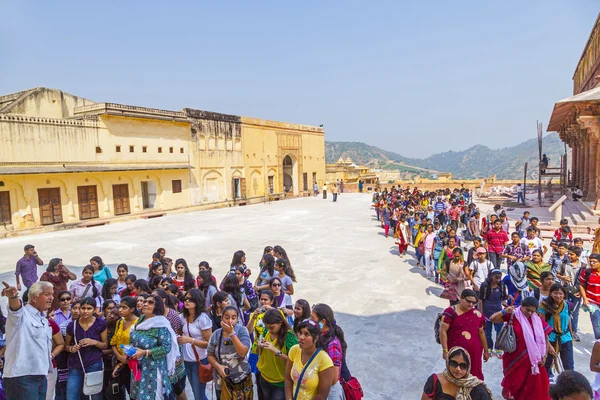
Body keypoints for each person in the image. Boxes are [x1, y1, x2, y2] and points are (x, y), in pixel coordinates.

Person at [489, 297, 552, 400]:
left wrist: (545, 354)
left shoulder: (536, 319)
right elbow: (493, 319)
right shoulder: (513, 315)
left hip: (534, 361)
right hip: (515, 358)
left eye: (533, 311)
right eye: (528, 309)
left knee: (536, 387)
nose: (530, 313)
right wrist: (504, 311)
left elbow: (544, 336)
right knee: (515, 385)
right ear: (521, 306)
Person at [2, 281, 53, 400]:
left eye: (52, 294)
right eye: (47, 294)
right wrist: (13, 296)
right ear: (35, 297)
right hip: (21, 376)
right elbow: (15, 308)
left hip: (40, 374)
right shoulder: (22, 314)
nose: (51, 298)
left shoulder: (43, 319)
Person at [129, 294, 180, 400]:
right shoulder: (142, 319)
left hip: (153, 369)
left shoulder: (161, 324)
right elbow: (134, 337)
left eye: (150, 303)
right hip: (138, 367)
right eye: (145, 301)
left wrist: (144, 352)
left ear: (157, 307)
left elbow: (166, 348)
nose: (145, 304)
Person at [65, 297, 109, 400]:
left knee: (95, 395)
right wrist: (72, 348)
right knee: (71, 395)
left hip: (94, 363)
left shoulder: (100, 323)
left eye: (89, 308)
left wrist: (94, 342)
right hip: (76, 364)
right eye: (83, 308)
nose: (85, 311)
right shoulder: (72, 325)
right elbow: (66, 346)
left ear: (94, 310)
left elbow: (105, 345)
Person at [439, 289, 489, 381]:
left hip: (474, 353)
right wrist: (445, 350)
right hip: (456, 352)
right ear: (461, 298)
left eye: (473, 303)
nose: (471, 304)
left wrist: (486, 350)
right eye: (468, 301)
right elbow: (443, 331)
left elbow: (481, 333)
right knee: (456, 372)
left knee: (474, 376)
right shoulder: (450, 312)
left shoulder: (477, 315)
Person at [207, 305, 253, 399]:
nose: (230, 321)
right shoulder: (216, 334)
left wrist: (232, 334)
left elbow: (242, 352)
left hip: (242, 379)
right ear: (222, 318)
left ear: (237, 319)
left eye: (233, 318)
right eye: (226, 317)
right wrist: (218, 366)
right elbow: (210, 355)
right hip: (222, 380)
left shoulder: (242, 330)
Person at [285, 319, 334, 400]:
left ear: (316, 338)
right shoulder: (294, 350)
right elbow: (288, 380)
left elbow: (322, 396)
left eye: (306, 334)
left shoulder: (324, 361)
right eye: (300, 333)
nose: (301, 337)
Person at [421, 346, 493, 400]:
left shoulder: (476, 387)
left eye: (463, 365)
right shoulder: (435, 381)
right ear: (448, 362)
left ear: (468, 367)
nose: (458, 369)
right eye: (454, 363)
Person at [256, 309, 298, 399]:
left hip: (280, 382)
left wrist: (276, 351)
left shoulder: (289, 337)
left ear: (280, 323)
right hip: (264, 377)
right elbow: (259, 353)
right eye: (267, 327)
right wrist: (259, 346)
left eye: (272, 327)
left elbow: (295, 362)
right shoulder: (266, 332)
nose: (269, 330)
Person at [179, 288, 213, 400]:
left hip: (200, 360)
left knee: (199, 394)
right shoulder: (183, 317)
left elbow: (209, 343)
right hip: (187, 359)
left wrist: (190, 340)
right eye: (186, 298)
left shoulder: (203, 319)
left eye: (191, 299)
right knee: (195, 391)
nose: (187, 301)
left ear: (197, 301)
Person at [312, 304, 350, 400]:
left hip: (330, 393)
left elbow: (334, 379)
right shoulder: (319, 335)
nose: (310, 320)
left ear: (323, 321)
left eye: (313, 318)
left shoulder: (332, 344)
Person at [539, 284, 574, 380]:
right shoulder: (544, 306)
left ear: (564, 294)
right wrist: (548, 344)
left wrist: (571, 335)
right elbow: (541, 325)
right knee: (545, 367)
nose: (558, 296)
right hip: (550, 338)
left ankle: (568, 390)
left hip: (565, 338)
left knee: (569, 368)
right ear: (550, 294)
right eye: (555, 293)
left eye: (560, 293)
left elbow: (568, 320)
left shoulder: (566, 305)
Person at [110, 296, 138, 399]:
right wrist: (119, 357)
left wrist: (124, 359)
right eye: (120, 307)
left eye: (124, 307)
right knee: (117, 392)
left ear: (132, 309)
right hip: (120, 362)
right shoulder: (120, 322)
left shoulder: (138, 324)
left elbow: (138, 345)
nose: (120, 310)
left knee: (133, 393)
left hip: (133, 363)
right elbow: (113, 342)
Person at [478, 269, 507, 358]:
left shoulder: (502, 286)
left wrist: (506, 304)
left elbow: (503, 298)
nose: (498, 280)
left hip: (498, 314)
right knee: (487, 333)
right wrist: (480, 313)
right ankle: (489, 348)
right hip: (487, 313)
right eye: (496, 278)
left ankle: (498, 348)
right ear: (491, 277)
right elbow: (480, 300)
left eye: (499, 278)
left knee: (499, 332)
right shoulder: (485, 286)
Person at [559, 246, 583, 341]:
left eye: (571, 254)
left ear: (578, 256)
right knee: (565, 310)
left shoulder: (583, 266)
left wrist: (581, 292)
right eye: (568, 253)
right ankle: (565, 330)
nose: (569, 255)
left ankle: (574, 331)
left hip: (576, 292)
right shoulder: (563, 263)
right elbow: (557, 274)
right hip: (565, 291)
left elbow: (585, 281)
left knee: (575, 312)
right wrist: (563, 278)